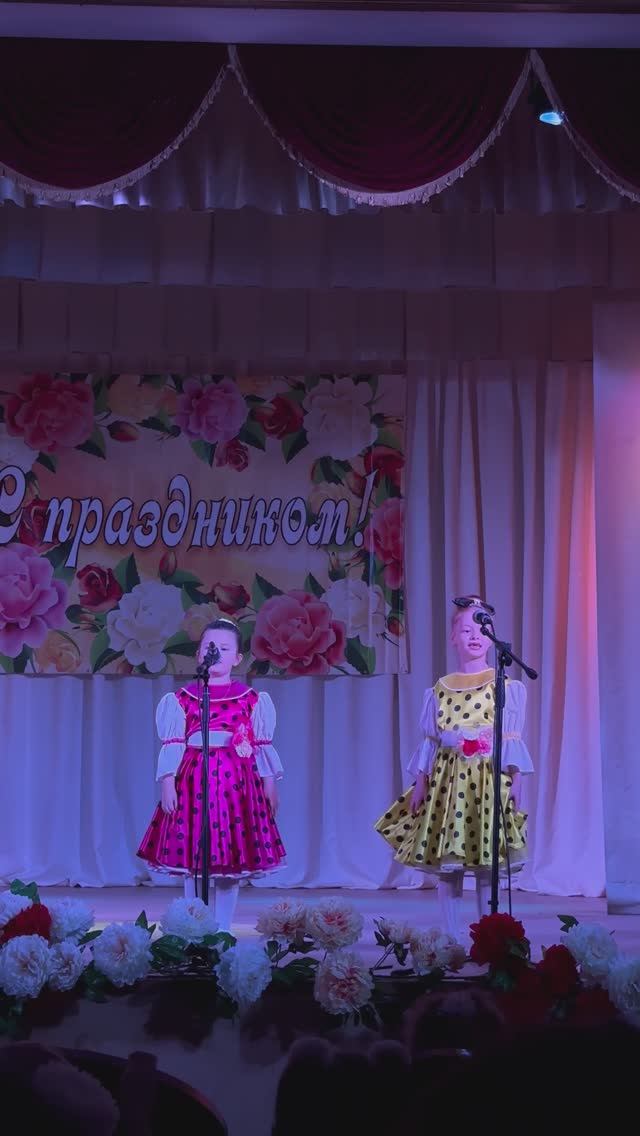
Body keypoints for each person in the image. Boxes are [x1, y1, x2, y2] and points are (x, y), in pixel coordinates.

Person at [375, 597, 533, 939]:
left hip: (487, 782)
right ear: (453, 637)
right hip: (448, 784)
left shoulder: (504, 685)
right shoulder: (440, 689)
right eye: (466, 629)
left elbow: (510, 737)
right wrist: (421, 781)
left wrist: (516, 780)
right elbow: (430, 740)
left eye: (482, 629)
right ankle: (452, 937)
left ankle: (487, 936)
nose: (475, 636)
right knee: (450, 864)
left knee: (487, 864)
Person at [137, 617, 285, 931]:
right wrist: (168, 782)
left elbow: (261, 745)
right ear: (198, 654)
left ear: (238, 658)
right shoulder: (183, 698)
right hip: (194, 783)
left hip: (235, 788)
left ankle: (223, 928)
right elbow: (174, 743)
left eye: (224, 648)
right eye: (209, 646)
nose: (215, 652)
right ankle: (193, 925)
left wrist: (270, 783)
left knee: (230, 857)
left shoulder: (250, 699)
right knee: (193, 856)